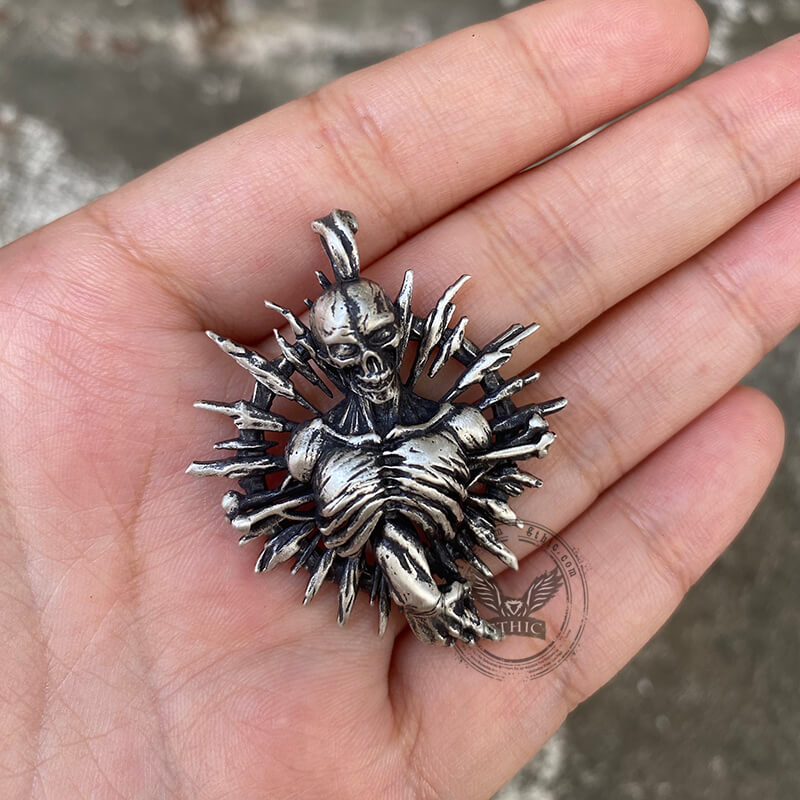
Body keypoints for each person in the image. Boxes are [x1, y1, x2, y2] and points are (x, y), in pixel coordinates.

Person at [0, 0, 797, 797]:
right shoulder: (311, 447)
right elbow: (264, 497)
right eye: (347, 353)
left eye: (382, 343)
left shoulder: (459, 421)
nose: (372, 362)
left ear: (404, 338)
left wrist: (495, 429)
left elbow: (513, 432)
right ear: (322, 358)